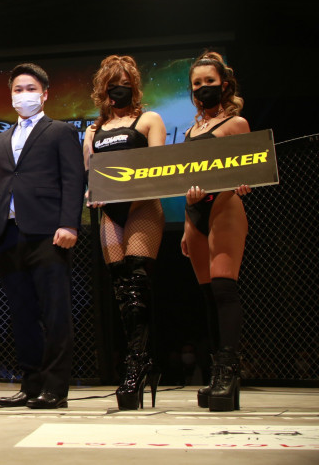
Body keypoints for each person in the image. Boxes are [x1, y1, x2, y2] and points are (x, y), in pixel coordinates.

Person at [0, 63, 85, 409]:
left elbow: (73, 180)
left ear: (45, 94)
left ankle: (55, 388)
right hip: (9, 235)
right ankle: (30, 384)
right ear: (11, 96)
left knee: (55, 313)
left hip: (49, 233)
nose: (24, 95)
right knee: (21, 314)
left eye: (31, 89)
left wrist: (69, 224)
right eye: (18, 90)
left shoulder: (60, 131)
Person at [82, 55, 166, 410]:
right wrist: (93, 193)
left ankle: (138, 365)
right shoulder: (93, 131)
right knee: (121, 289)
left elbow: (160, 167)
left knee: (138, 284)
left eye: (125, 83)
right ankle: (138, 361)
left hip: (142, 205)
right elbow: (91, 176)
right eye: (113, 84)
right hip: (110, 212)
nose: (119, 89)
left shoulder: (149, 120)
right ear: (103, 89)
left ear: (134, 86)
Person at [180, 51, 251, 412]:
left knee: (224, 290)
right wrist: (186, 225)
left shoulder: (236, 123)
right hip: (195, 215)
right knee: (208, 295)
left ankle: (229, 374)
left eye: (209, 81)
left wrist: (243, 182)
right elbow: (186, 179)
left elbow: (249, 168)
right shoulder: (190, 131)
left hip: (224, 206)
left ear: (223, 84)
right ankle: (214, 373)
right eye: (197, 83)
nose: (203, 87)